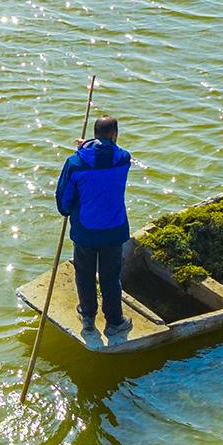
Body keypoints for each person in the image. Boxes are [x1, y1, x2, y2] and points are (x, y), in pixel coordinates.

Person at [55, 115, 134, 342]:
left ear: (95, 134)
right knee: (111, 276)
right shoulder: (123, 160)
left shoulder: (75, 163)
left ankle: (88, 318)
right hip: (114, 229)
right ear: (115, 135)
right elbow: (109, 154)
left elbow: (63, 197)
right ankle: (114, 322)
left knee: (85, 274)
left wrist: (66, 211)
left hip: (85, 231)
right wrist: (88, 145)